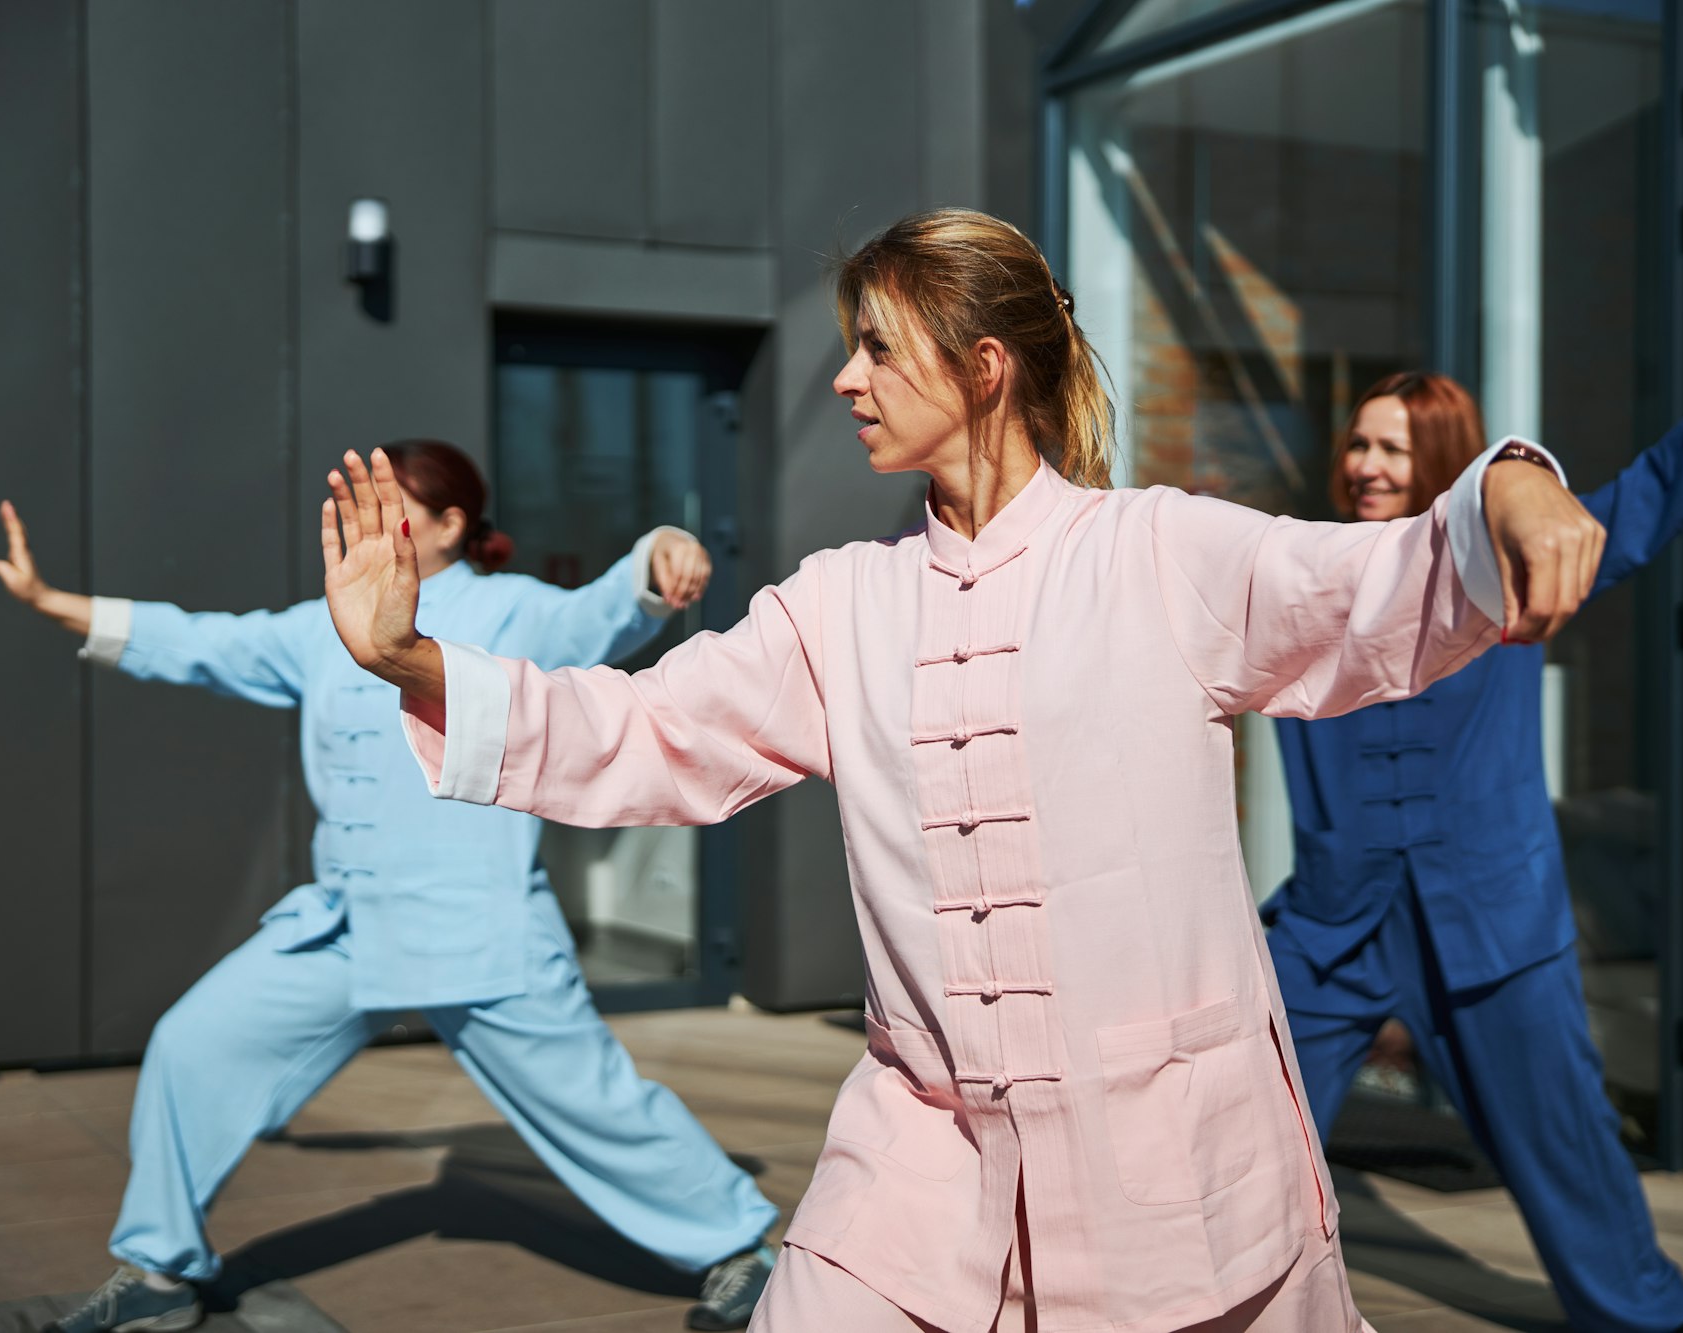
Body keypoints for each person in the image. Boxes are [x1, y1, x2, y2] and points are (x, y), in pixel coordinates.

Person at [319, 209, 1607, 1332]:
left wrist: (1513, 486)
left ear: (982, 367)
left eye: (876, 346)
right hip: (918, 1155)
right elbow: (642, 726)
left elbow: (1372, 580)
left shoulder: (1159, 554)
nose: (843, 379)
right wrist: (413, 660)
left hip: (1170, 1151)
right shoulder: (841, 603)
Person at [0, 439, 781, 1333]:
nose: (376, 518)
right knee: (193, 1045)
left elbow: (604, 612)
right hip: (342, 925)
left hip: (478, 931)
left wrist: (659, 549)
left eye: (397, 503)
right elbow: (203, 640)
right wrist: (52, 601)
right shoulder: (322, 618)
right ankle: (160, 1269)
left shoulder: (509, 609)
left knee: (594, 1103)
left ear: (452, 525)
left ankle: (743, 1251)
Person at [1263, 360, 1683, 1333]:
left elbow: (1635, 507)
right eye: (1356, 443)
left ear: (1437, 459)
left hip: (1490, 929)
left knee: (1567, 1157)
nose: (1365, 464)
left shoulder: (1503, 567)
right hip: (1327, 927)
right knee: (1232, 1134)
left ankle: (1651, 1323)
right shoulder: (1298, 580)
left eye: (1391, 446)